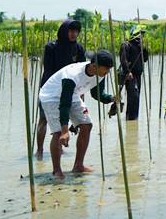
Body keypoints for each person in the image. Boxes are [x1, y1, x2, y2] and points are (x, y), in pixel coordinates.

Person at [38, 51, 115, 179]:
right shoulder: (72, 75)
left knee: (86, 125)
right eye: (106, 69)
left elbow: (97, 94)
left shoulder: (101, 74)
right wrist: (64, 130)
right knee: (58, 133)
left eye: (109, 69)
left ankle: (78, 166)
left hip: (72, 94)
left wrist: (111, 98)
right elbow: (64, 104)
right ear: (94, 66)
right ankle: (57, 171)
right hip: (51, 96)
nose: (108, 72)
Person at [35, 19, 86, 159]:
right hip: (50, 88)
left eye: (76, 31)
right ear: (64, 31)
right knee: (44, 120)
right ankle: (39, 150)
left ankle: (59, 148)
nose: (73, 34)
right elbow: (48, 71)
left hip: (70, 89)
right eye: (71, 30)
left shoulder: (79, 48)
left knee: (64, 119)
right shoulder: (51, 47)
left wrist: (81, 93)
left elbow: (81, 72)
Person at [109, 26, 149, 121]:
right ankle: (131, 118)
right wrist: (127, 71)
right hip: (130, 75)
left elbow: (145, 59)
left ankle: (133, 120)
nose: (140, 36)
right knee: (133, 96)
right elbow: (123, 60)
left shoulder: (140, 46)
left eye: (142, 34)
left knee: (136, 97)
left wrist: (144, 49)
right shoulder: (126, 45)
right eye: (139, 34)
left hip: (138, 75)